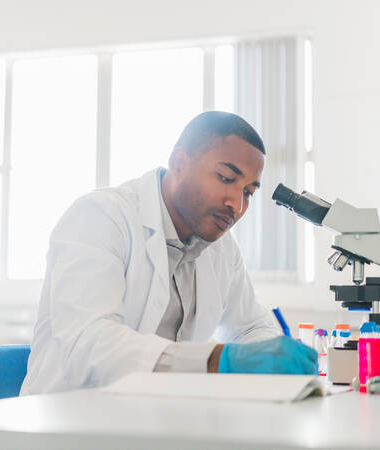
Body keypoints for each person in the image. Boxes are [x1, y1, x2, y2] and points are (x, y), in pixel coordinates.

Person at [20, 111, 318, 396]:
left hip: (156, 422)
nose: (237, 205)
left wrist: (271, 355)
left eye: (249, 192)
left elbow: (251, 326)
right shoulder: (100, 217)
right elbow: (89, 345)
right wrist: (218, 360)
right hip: (67, 423)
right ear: (179, 163)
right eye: (226, 178)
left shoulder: (221, 247)